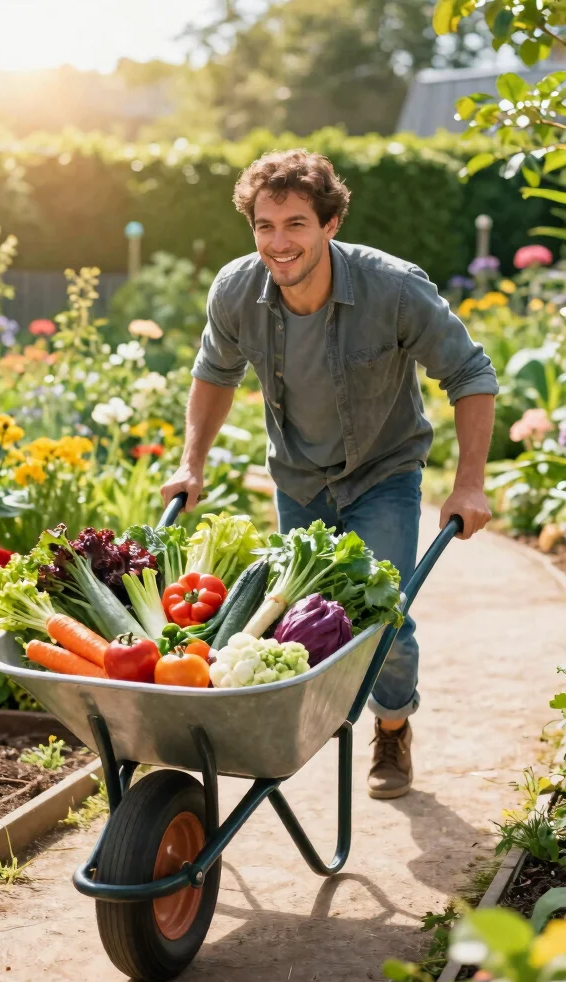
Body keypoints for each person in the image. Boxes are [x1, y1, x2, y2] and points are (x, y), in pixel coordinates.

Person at [161, 148, 498, 799]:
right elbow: (213, 373)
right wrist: (189, 464)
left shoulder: (393, 288)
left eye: (295, 224)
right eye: (264, 225)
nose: (278, 242)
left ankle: (392, 727)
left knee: (384, 617)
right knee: (305, 617)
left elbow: (470, 374)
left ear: (331, 224)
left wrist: (471, 482)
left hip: (383, 470)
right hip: (297, 479)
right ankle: (296, 732)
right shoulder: (237, 290)